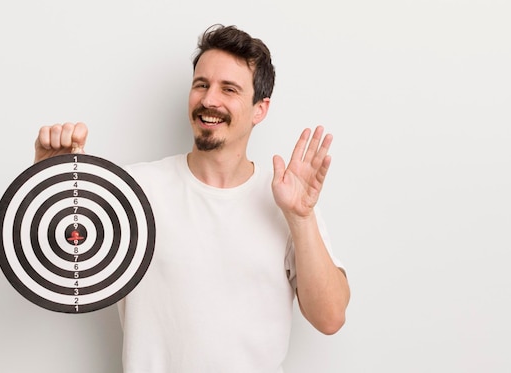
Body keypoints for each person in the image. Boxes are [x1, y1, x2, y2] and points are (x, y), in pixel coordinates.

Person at [34, 24, 350, 373]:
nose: (209, 100)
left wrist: (301, 218)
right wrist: (48, 183)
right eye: (201, 84)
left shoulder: (286, 200)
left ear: (259, 109)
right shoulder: (135, 190)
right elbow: (63, 269)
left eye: (228, 89)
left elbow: (330, 318)